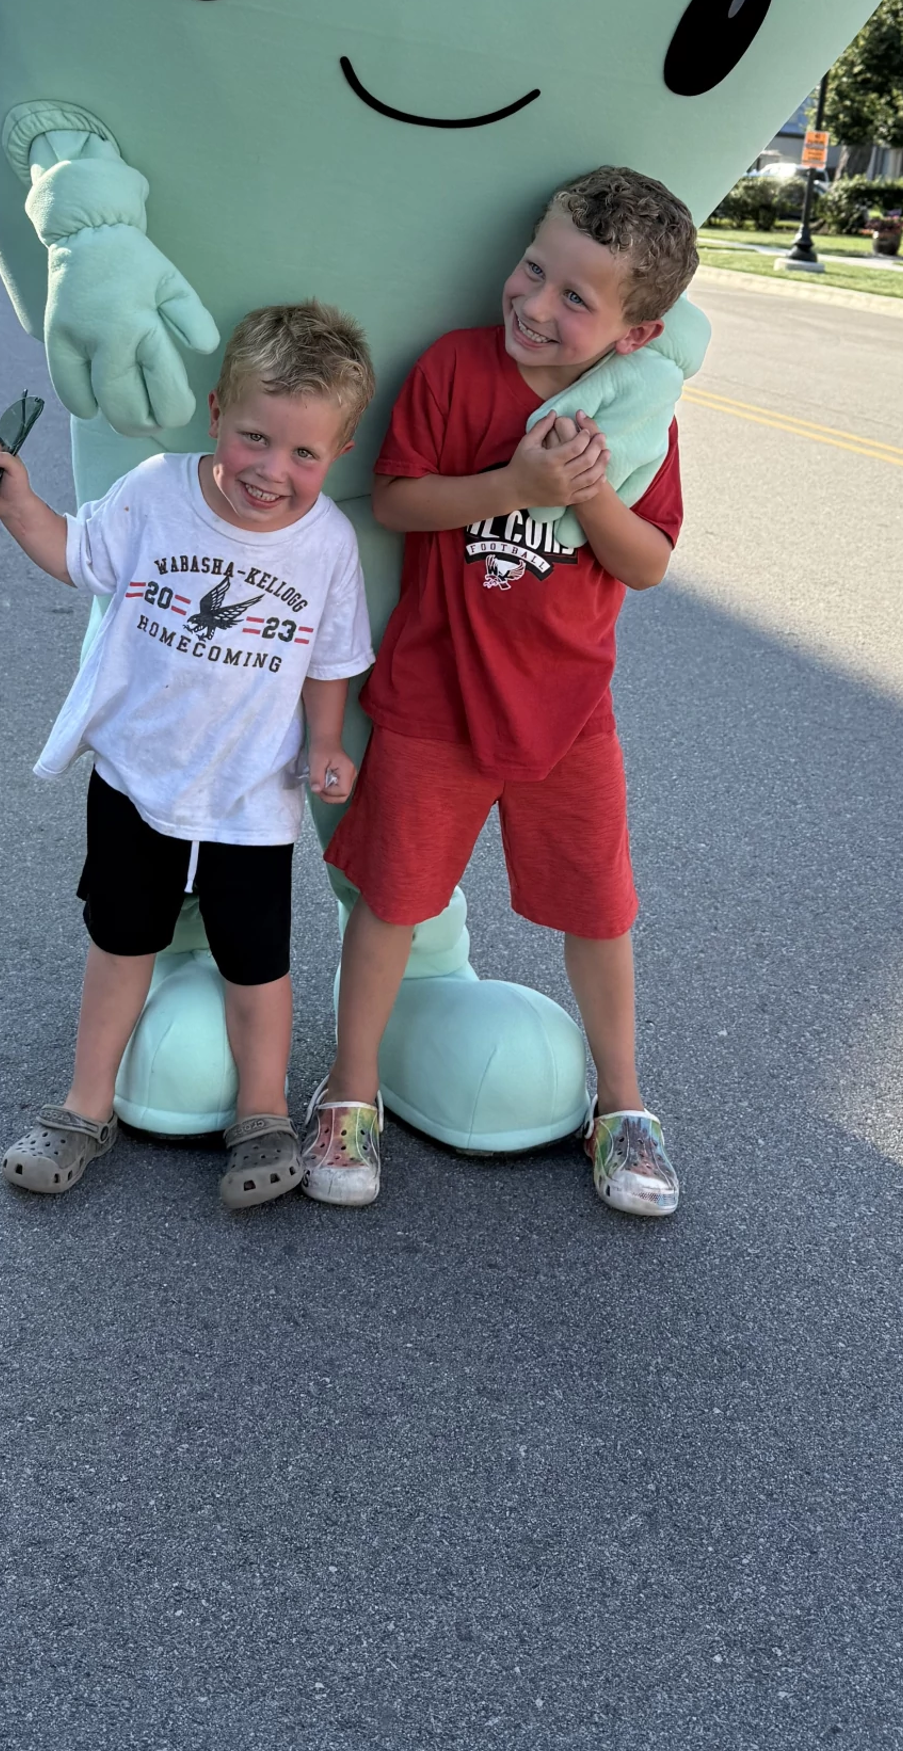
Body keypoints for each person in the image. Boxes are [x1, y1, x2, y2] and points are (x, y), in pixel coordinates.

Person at [304, 166, 696, 1219]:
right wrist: (514, 488)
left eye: (576, 299)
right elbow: (394, 497)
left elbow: (647, 560)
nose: (533, 305)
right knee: (392, 899)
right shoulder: (451, 370)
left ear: (635, 334)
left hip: (569, 710)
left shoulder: (632, 417)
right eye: (533, 270)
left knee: (599, 909)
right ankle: (350, 1090)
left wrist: (588, 492)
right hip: (436, 697)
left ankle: (621, 1104)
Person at [0, 301, 376, 1212]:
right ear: (219, 411)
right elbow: (76, 553)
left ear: (337, 453)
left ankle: (261, 1112)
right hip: (135, 780)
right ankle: (82, 1107)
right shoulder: (155, 491)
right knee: (120, 944)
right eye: (256, 438)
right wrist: (15, 502)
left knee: (256, 965)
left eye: (304, 454)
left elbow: (332, 660)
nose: (273, 471)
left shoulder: (329, 545)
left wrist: (329, 745)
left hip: (250, 799)